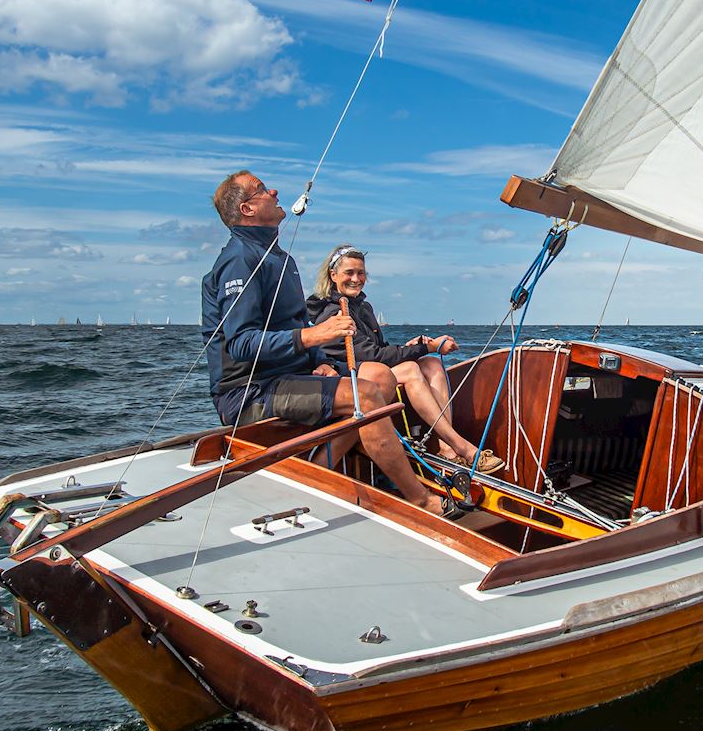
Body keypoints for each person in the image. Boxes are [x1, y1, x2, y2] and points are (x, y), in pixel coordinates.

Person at [200, 172, 449, 516]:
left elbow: (297, 324)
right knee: (365, 395)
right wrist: (314, 336)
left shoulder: (279, 259)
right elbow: (241, 343)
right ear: (247, 209)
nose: (273, 190)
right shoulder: (240, 259)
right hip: (249, 393)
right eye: (261, 189)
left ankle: (317, 471)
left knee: (378, 380)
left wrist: (321, 359)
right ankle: (420, 500)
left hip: (288, 379)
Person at [306, 244, 504, 473]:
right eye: (349, 273)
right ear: (333, 276)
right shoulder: (334, 311)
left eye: (360, 273)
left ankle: (445, 447)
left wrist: (418, 348)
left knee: (431, 363)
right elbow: (373, 356)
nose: (356, 278)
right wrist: (425, 346)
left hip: (368, 368)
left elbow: (378, 349)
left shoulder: (363, 307)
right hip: (343, 375)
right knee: (411, 368)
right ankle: (462, 447)